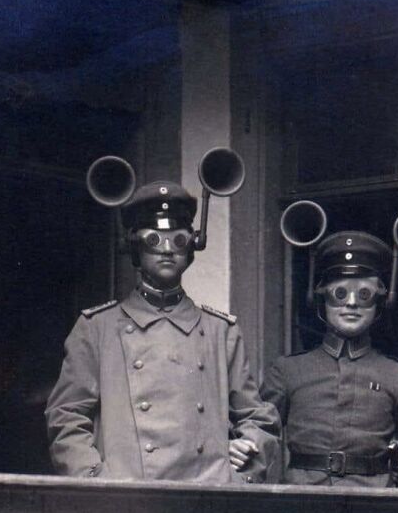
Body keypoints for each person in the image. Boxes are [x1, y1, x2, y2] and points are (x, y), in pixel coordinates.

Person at [45, 180, 279, 482]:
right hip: (129, 500)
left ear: (191, 247)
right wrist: (96, 480)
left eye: (179, 240)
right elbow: (66, 417)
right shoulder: (96, 328)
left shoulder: (220, 331)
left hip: (206, 496)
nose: (167, 250)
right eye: (154, 239)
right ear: (135, 249)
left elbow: (257, 417)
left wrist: (247, 455)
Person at [261, 231, 398, 489]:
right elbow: (256, 436)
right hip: (300, 511)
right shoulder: (288, 371)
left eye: (364, 295)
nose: (351, 304)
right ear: (322, 298)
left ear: (380, 301)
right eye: (340, 293)